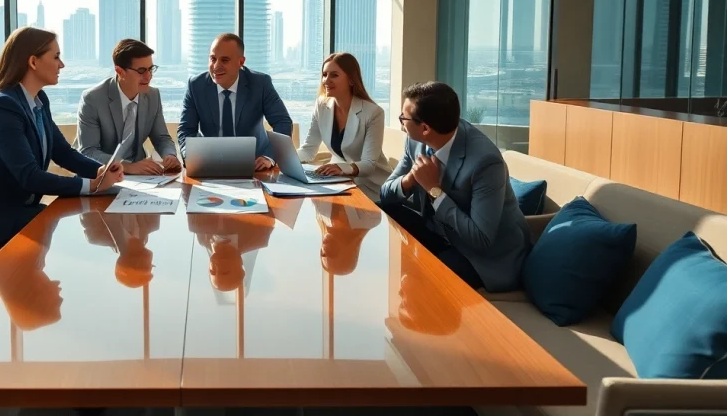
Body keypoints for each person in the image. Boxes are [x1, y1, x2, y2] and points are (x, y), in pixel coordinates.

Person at [0, 28, 123, 245]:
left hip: (12, 205)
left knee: (83, 211)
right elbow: (29, 176)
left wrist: (99, 171)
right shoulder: (1, 106)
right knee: (63, 229)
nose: (61, 65)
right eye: (56, 57)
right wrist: (92, 186)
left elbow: (63, 153)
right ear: (33, 62)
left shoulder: (39, 100)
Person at [379, 81, 531, 292]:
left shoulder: (485, 162)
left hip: (479, 256)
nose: (401, 124)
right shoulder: (415, 141)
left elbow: (481, 238)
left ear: (425, 128)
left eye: (403, 119)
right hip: (438, 233)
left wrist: (434, 191)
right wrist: (410, 179)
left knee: (426, 281)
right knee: (382, 210)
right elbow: (385, 193)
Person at [178, 33, 293, 171]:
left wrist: (269, 157)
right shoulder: (196, 85)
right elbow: (186, 130)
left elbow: (283, 122)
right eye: (213, 59)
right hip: (209, 164)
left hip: (256, 165)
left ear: (241, 62)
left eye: (224, 60)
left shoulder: (260, 84)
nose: (216, 66)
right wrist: (191, 157)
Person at [75, 39, 181, 175]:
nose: (148, 76)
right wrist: (127, 167)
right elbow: (88, 152)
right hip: (102, 175)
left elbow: (161, 138)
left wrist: (169, 155)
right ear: (120, 71)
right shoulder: (92, 99)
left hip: (141, 177)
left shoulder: (153, 95)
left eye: (150, 69)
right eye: (141, 71)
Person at [297, 52, 391, 201]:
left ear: (351, 80)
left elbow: (368, 164)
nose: (326, 81)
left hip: (371, 188)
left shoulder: (373, 113)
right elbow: (308, 150)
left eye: (334, 75)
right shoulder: (321, 106)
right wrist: (280, 159)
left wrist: (342, 168)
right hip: (340, 184)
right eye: (324, 75)